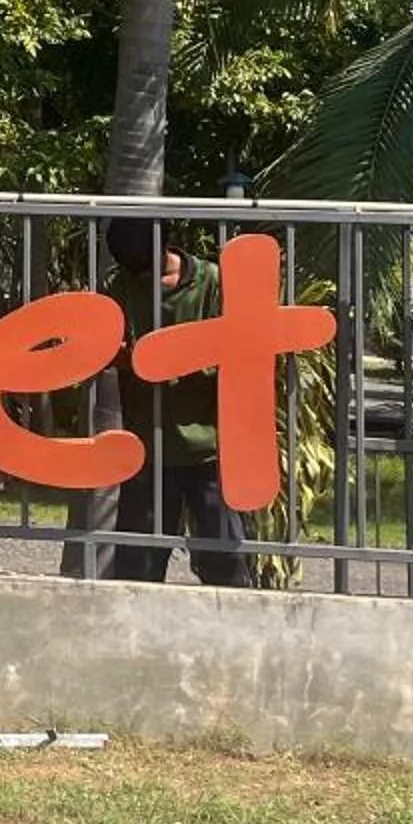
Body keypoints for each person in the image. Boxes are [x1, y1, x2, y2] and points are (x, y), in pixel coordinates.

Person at [102, 218, 257, 588]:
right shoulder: (118, 284)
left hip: (209, 445)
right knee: (137, 565)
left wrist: (183, 358)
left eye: (147, 266)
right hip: (147, 446)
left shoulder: (214, 282)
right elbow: (104, 348)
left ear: (166, 246)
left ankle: (231, 633)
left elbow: (243, 347)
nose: (141, 277)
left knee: (226, 561)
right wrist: (128, 357)